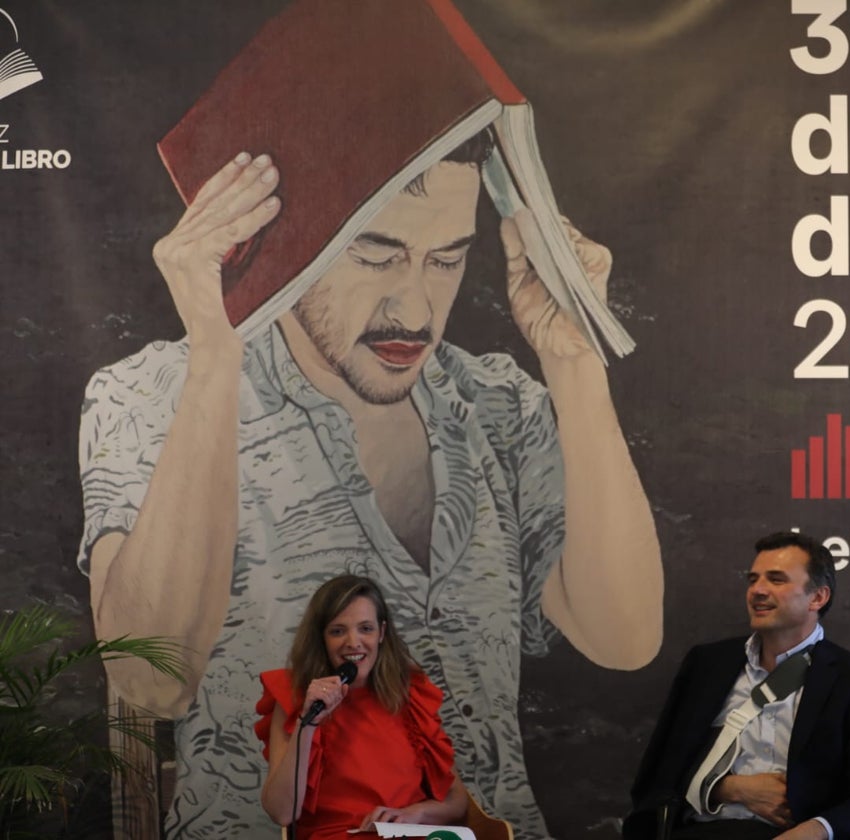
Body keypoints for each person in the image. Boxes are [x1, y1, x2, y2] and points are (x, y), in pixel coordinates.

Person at [77, 127, 661, 838]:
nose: (415, 312)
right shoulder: (150, 394)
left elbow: (625, 637)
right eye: (377, 256)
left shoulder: (501, 406)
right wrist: (215, 352)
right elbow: (150, 679)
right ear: (287, 241)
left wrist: (573, 362)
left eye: (445, 260)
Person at [625, 532, 850, 840]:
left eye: (776, 580)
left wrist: (816, 830)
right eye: (753, 579)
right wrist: (728, 788)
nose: (758, 590)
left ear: (817, 597)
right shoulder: (707, 665)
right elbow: (656, 778)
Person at [256, 575, 467, 839]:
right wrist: (307, 724)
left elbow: (456, 800)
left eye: (365, 628)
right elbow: (281, 813)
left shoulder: (411, 694)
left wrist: (416, 814)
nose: (353, 642)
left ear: (382, 632)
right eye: (337, 631)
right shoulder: (294, 695)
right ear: (321, 638)